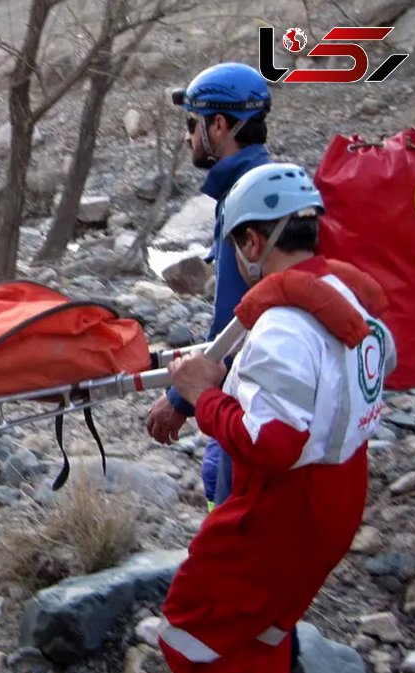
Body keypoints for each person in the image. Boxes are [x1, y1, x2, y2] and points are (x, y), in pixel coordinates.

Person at [157, 163, 396, 673]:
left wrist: (203, 395)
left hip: (284, 509)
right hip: (342, 491)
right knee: (266, 625)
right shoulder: (349, 297)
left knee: (188, 632)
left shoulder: (282, 327)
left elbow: (273, 444)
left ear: (250, 243)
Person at [148, 62, 274, 511]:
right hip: (265, 378)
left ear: (218, 125)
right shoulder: (264, 182)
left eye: (192, 124)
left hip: (257, 384)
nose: (188, 137)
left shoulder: (244, 196)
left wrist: (179, 399)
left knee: (226, 483)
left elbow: (235, 315)